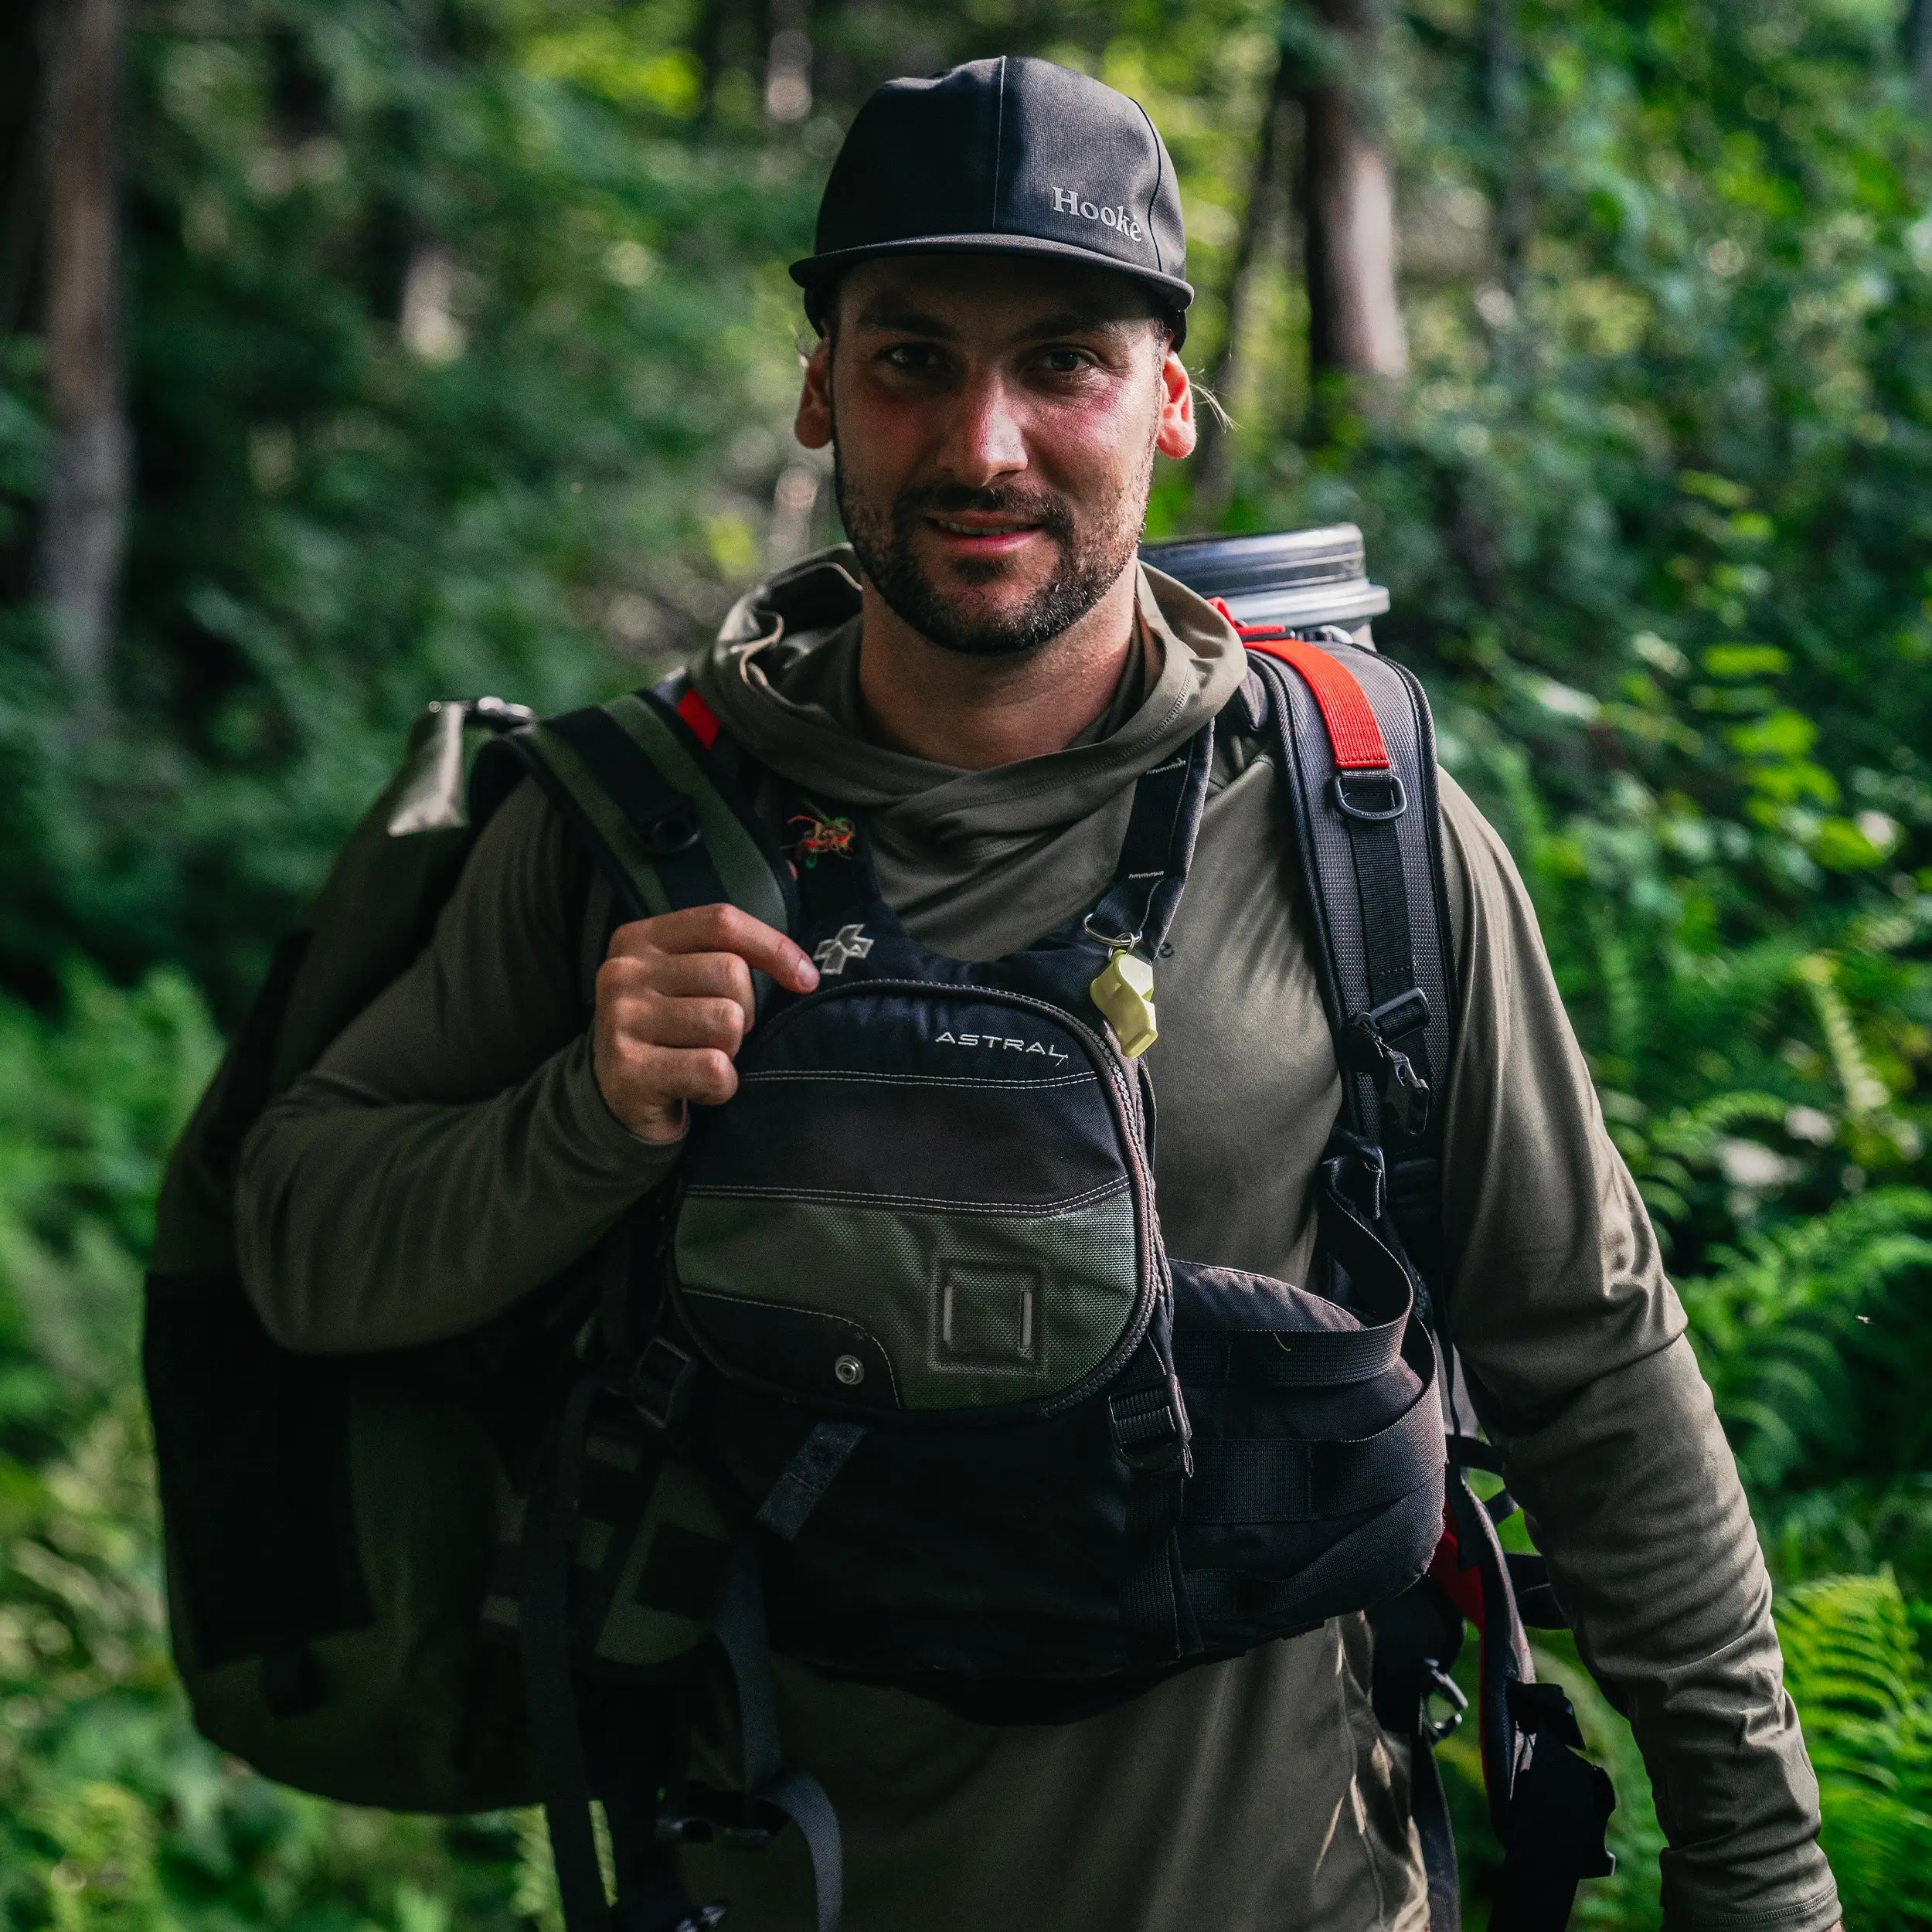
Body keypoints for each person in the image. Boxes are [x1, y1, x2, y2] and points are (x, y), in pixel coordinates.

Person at [236, 55, 1842, 1932]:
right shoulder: (622, 827)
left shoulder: (1357, 821)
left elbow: (1594, 1356)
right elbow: (300, 1243)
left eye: (1062, 361)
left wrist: (1760, 1866)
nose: (980, 441)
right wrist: (578, 1119)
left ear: (1167, 402)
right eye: (910, 358)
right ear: (821, 385)